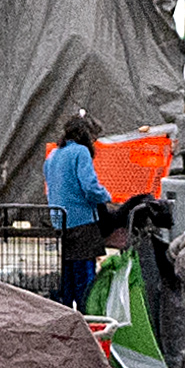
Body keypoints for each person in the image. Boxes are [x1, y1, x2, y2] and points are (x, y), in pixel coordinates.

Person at [46, 113, 111, 308]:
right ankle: (88, 322)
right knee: (86, 284)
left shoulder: (53, 155)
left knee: (67, 282)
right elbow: (90, 187)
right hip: (82, 224)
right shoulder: (81, 152)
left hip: (60, 224)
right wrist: (106, 196)